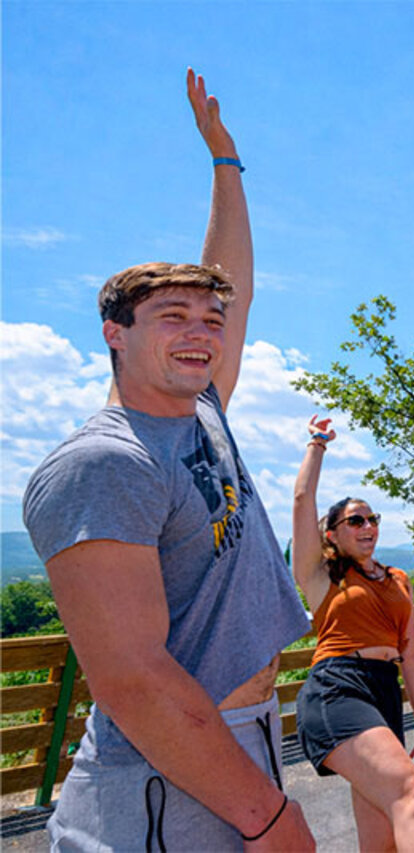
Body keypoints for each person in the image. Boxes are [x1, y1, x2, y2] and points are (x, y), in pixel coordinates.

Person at [22, 70, 315, 850]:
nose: (202, 331)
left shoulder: (203, 413)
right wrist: (268, 815)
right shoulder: (103, 463)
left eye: (211, 321)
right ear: (114, 333)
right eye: (172, 316)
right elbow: (134, 680)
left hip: (240, 738)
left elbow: (234, 285)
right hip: (166, 771)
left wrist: (226, 163)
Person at [291, 417, 414, 851]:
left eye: (372, 519)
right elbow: (302, 500)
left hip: (384, 691)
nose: (367, 527)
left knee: (383, 840)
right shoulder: (322, 576)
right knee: (412, 798)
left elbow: (411, 654)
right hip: (337, 688)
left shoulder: (398, 579)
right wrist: (317, 445)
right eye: (355, 520)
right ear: (332, 534)